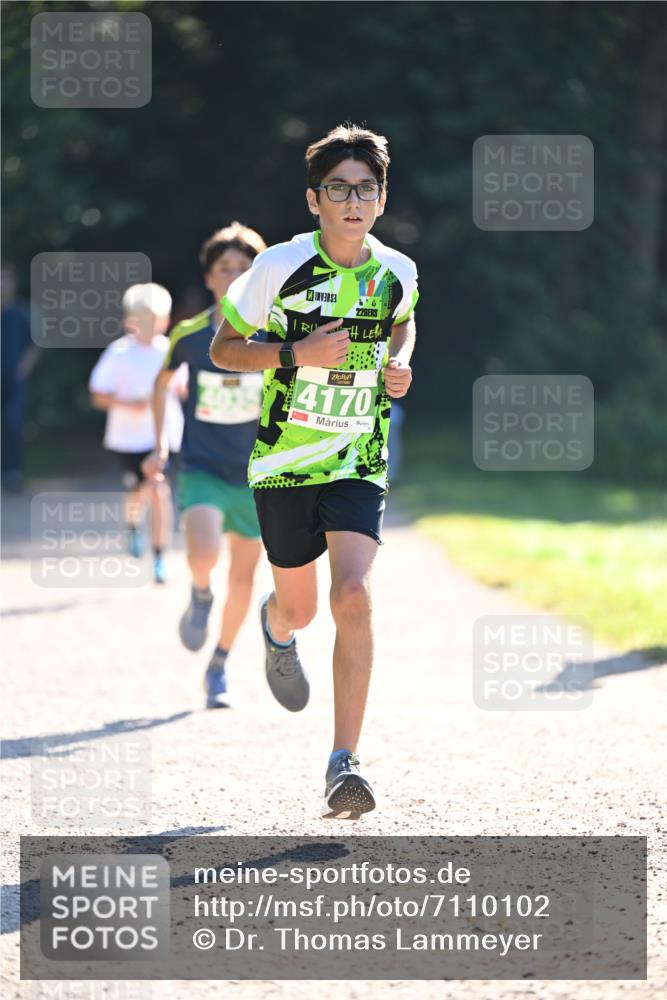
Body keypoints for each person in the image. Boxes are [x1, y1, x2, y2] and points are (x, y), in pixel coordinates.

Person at [210, 124, 418, 818]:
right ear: (314, 199)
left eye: (365, 189)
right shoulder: (276, 268)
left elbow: (401, 321)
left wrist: (398, 364)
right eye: (339, 189)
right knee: (299, 607)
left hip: (357, 457)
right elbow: (224, 348)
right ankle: (275, 627)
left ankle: (343, 761)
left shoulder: (398, 271)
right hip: (285, 465)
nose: (352, 201)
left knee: (354, 595)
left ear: (381, 199)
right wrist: (294, 353)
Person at [142, 223, 267, 709]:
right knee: (203, 553)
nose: (235, 275)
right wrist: (159, 445)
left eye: (244, 268)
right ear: (210, 278)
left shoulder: (273, 335)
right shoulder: (190, 335)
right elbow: (160, 384)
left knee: (243, 580)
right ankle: (199, 593)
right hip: (202, 465)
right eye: (225, 268)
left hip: (257, 475)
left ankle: (219, 664)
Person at [88, 283, 183, 584]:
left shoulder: (171, 350)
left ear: (166, 321)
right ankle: (132, 527)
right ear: (129, 321)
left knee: (159, 491)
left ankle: (158, 557)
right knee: (139, 493)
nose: (150, 325)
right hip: (127, 439)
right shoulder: (118, 353)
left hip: (164, 439)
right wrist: (129, 404)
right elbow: (97, 394)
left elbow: (183, 389)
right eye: (142, 318)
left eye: (156, 318)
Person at [1, 264, 40, 493]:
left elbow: (35, 344)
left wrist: (24, 367)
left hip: (14, 381)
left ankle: (12, 472)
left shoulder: (22, 313)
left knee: (13, 423)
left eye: (5, 280)